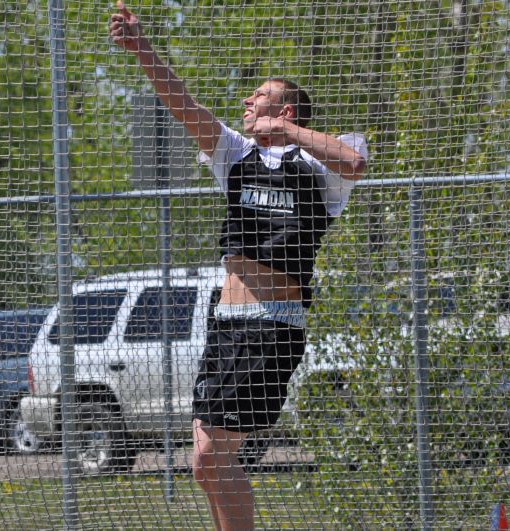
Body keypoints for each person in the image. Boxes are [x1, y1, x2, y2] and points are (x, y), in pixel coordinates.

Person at [111, 2, 367, 529]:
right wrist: (141, 48)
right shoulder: (234, 152)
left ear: (287, 110)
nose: (248, 101)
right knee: (204, 463)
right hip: (224, 324)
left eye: (262, 97)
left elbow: (356, 162)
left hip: (271, 328)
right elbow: (181, 103)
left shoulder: (318, 165)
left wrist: (284, 133)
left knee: (210, 459)